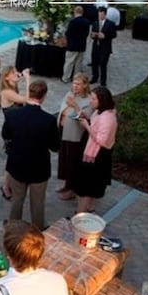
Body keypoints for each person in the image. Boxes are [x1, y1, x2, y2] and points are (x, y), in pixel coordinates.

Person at [2, 80, 60, 230]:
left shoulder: (13, 115)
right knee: (38, 204)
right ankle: (38, 232)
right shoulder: (49, 120)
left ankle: (13, 230)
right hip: (39, 168)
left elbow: (5, 134)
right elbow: (55, 146)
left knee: (17, 201)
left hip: (17, 164)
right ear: (44, 96)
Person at [73, 86, 118, 214]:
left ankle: (80, 214)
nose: (90, 101)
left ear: (102, 100)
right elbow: (96, 126)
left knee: (86, 187)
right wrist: (86, 118)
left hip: (96, 155)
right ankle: (90, 209)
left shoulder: (107, 118)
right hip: (92, 151)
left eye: (93, 99)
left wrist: (86, 126)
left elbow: (102, 140)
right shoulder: (99, 112)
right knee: (91, 186)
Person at [56, 73, 93, 201]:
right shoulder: (70, 94)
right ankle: (66, 184)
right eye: (74, 83)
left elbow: (84, 119)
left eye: (78, 84)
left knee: (72, 161)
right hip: (63, 131)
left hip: (74, 135)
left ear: (85, 85)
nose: (75, 86)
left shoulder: (88, 101)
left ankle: (72, 188)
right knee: (64, 159)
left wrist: (75, 106)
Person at [0, 66, 30, 200]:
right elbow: (27, 100)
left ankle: (8, 184)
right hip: (11, 130)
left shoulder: (12, 89)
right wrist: (28, 80)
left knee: (14, 158)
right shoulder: (6, 92)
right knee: (12, 159)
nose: (17, 74)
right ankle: (5, 186)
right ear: (6, 78)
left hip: (15, 127)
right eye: (13, 73)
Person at [62, 6, 91, 83]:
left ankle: (66, 78)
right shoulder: (86, 22)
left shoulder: (73, 22)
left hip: (72, 45)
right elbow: (87, 34)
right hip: (82, 45)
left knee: (69, 62)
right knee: (78, 64)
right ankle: (76, 79)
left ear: (75, 12)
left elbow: (68, 33)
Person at [90, 6, 117, 87]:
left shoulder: (110, 24)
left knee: (103, 64)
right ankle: (95, 77)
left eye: (101, 15)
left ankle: (103, 81)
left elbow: (114, 34)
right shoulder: (95, 23)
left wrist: (105, 36)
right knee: (94, 63)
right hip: (96, 46)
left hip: (105, 48)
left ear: (105, 14)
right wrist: (93, 35)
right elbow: (92, 33)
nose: (100, 16)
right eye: (99, 15)